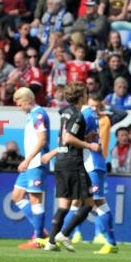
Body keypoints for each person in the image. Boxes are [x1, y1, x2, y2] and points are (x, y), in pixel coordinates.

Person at [41, 82, 99, 252]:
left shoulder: (65, 112)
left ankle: (51, 242)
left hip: (61, 161)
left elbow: (65, 138)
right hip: (74, 162)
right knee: (88, 203)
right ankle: (64, 234)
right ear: (81, 96)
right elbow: (68, 138)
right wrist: (89, 145)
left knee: (64, 205)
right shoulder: (77, 115)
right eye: (86, 93)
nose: (87, 96)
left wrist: (84, 137)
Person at [10, 87, 50, 249]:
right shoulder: (31, 116)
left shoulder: (38, 115)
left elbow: (43, 140)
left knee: (35, 200)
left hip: (36, 163)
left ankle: (38, 238)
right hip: (30, 164)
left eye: (20, 104)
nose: (19, 108)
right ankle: (41, 231)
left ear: (28, 100)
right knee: (17, 196)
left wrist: (27, 160)